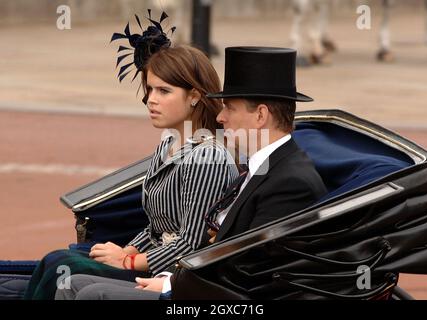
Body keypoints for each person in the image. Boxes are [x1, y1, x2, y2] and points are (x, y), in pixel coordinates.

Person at [55, 46, 328, 300]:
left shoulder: (290, 181)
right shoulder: (261, 167)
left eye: (230, 108)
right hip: (196, 280)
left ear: (260, 116)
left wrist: (173, 283)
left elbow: (251, 268)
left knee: (89, 292)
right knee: (75, 284)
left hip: (228, 299)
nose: (220, 117)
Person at [23, 13, 238, 300]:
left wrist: (128, 261)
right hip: (149, 258)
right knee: (54, 260)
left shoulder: (207, 156)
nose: (151, 99)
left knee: (64, 266)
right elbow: (155, 227)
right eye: (150, 89)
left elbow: (190, 244)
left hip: (173, 274)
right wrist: (128, 249)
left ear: (195, 97)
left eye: (164, 91)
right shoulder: (169, 143)